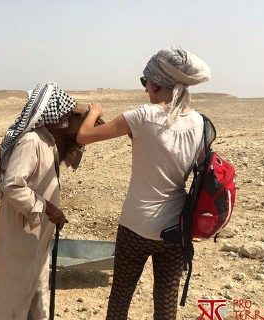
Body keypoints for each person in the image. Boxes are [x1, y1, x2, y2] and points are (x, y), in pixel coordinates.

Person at [77, 47, 211, 320]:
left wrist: (94, 111)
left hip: (135, 227)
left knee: (120, 299)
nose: (145, 90)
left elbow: (83, 136)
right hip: (175, 230)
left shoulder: (141, 116)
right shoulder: (202, 125)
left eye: (145, 82)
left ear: (155, 84)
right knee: (165, 305)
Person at [0, 82, 74, 320]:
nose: (66, 114)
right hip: (22, 228)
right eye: (62, 109)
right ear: (49, 112)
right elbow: (12, 185)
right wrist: (47, 208)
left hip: (37, 230)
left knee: (36, 283)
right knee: (13, 290)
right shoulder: (31, 141)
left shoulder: (49, 140)